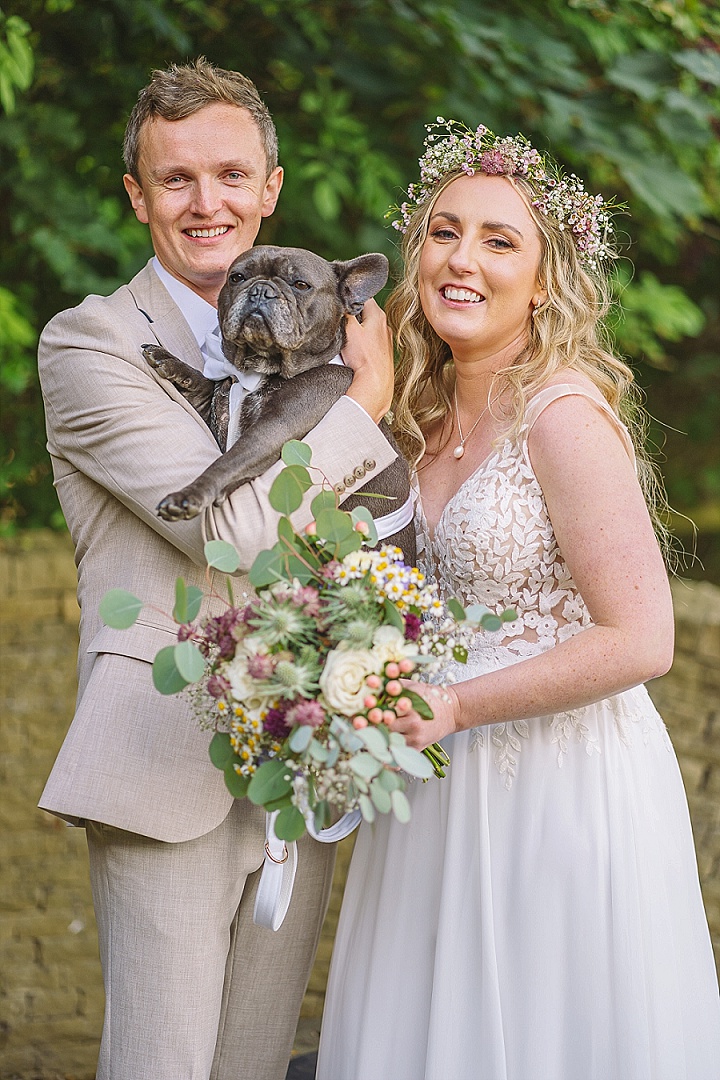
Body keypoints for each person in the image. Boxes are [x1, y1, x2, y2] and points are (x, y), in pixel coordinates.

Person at [317, 120, 720, 1079]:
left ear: (543, 283)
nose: (463, 259)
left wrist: (454, 704)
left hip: (557, 787)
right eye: (445, 231)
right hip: (430, 789)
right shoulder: (411, 414)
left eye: (500, 242)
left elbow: (643, 639)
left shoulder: (565, 418)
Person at [37, 58, 396, 1080]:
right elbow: (234, 534)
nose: (209, 203)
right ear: (138, 195)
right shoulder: (93, 344)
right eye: (178, 178)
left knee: (251, 1065)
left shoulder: (326, 336)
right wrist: (361, 410)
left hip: (303, 762)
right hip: (161, 755)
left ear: (270, 188)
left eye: (232, 175)